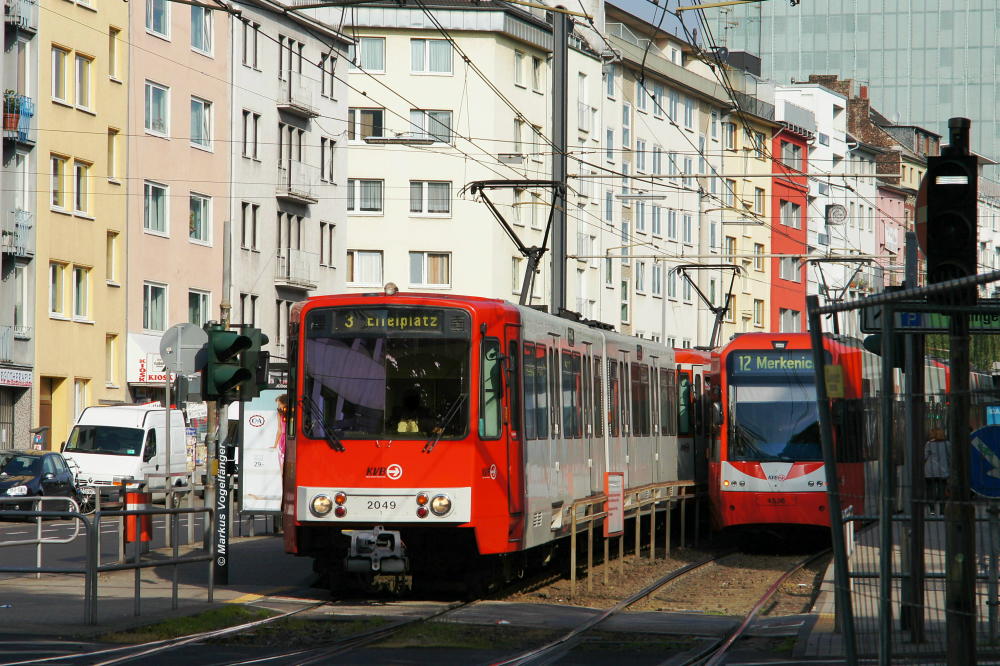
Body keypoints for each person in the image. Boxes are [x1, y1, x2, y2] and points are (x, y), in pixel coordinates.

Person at [925, 427, 950, 515]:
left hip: (930, 471)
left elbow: (925, 456)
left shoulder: (929, 444)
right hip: (943, 471)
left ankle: (932, 511)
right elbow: (950, 456)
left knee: (930, 491)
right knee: (942, 491)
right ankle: (942, 511)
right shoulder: (947, 444)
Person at [273, 394, 289, 469]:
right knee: (282, 463)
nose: (278, 406)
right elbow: (279, 430)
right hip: (283, 441)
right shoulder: (279, 413)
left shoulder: (292, 412)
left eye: (279, 404)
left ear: (285, 403)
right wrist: (275, 445)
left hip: (290, 438)